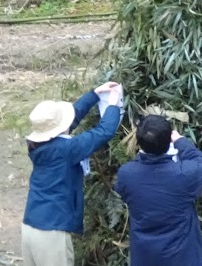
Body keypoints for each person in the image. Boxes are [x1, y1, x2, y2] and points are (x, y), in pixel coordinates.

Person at [22, 81, 125, 266]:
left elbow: (70, 121)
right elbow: (103, 132)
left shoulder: (38, 146)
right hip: (51, 233)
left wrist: (94, 94)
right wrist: (113, 105)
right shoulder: (66, 150)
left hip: (31, 226)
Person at [114, 115, 202, 266]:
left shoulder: (126, 175)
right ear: (169, 141)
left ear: (138, 141)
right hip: (183, 258)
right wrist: (181, 141)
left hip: (145, 258)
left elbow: (122, 190)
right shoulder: (183, 175)